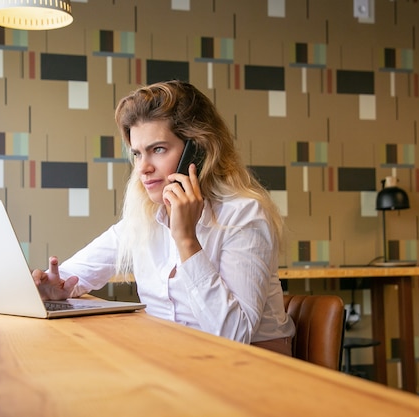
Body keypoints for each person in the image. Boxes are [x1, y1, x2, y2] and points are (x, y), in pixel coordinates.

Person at [31, 80, 295, 355]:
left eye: (158, 149)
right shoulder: (145, 217)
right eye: (137, 153)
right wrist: (55, 290)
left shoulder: (244, 214)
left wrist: (186, 240)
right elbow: (73, 277)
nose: (143, 168)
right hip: (175, 360)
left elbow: (233, 335)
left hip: (252, 370)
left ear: (199, 151)